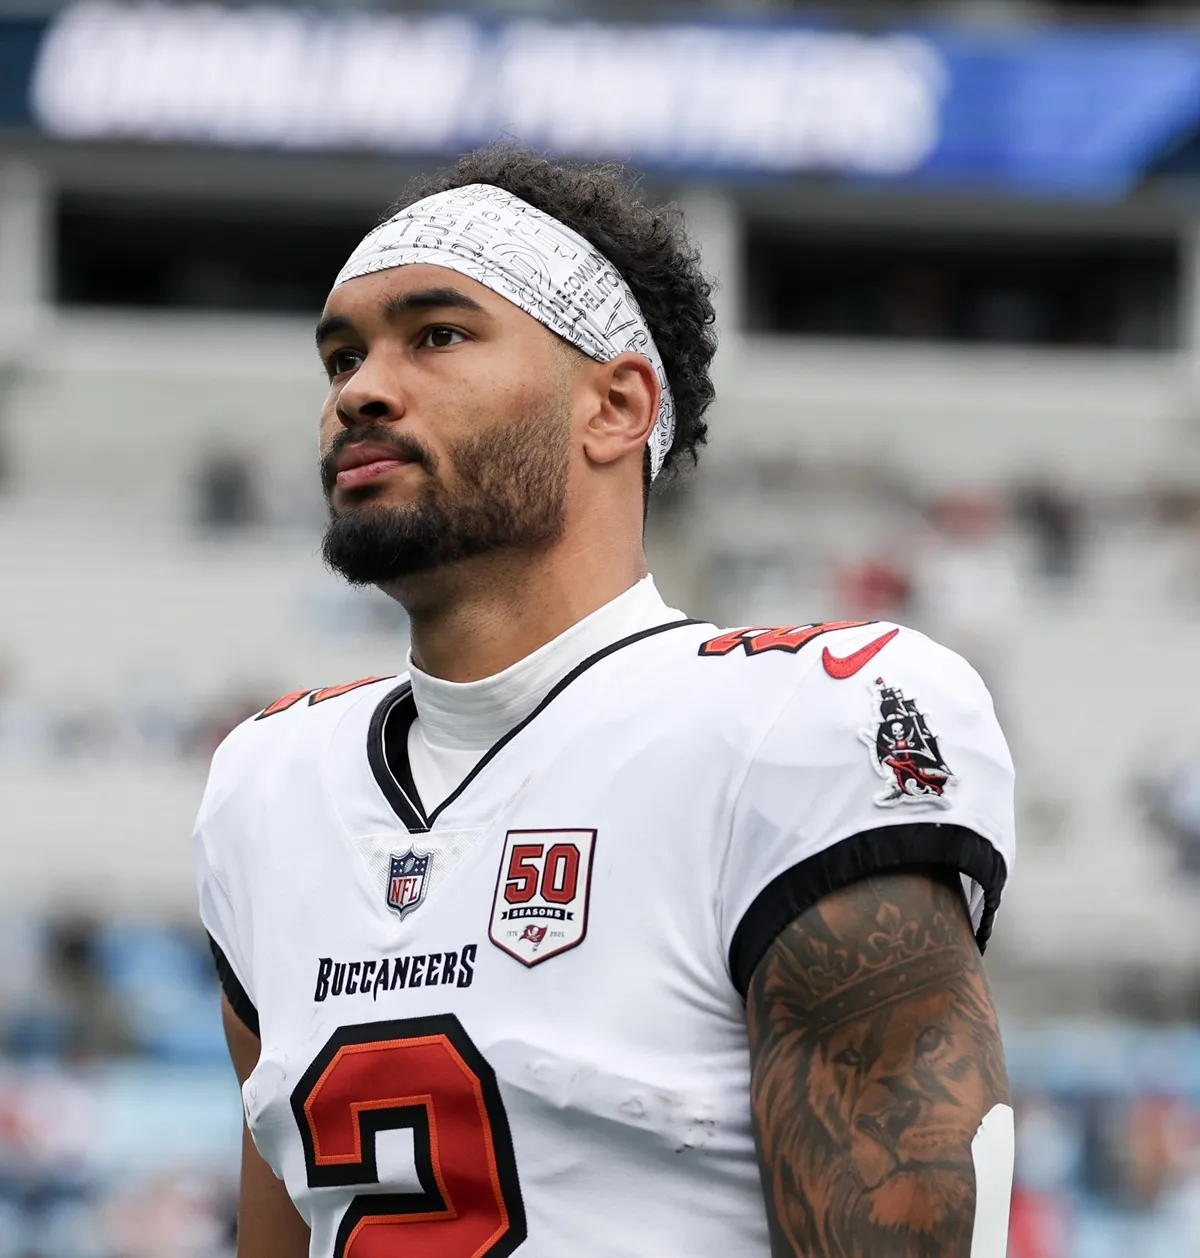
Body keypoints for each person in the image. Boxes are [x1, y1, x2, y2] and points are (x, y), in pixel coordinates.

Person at [193, 145, 1016, 1258]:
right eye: (343, 354)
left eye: (437, 335)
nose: (360, 390)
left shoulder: (789, 723)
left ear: (615, 405)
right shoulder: (268, 782)